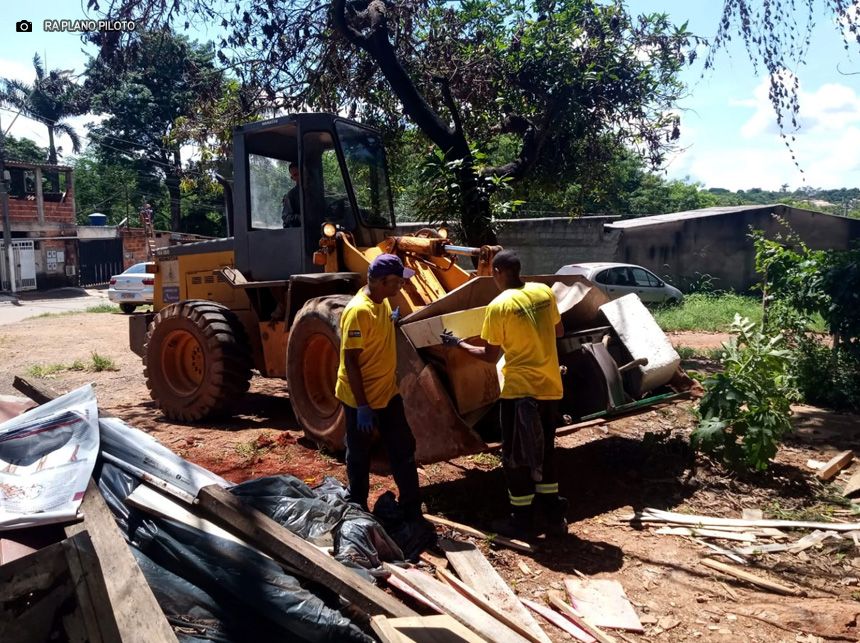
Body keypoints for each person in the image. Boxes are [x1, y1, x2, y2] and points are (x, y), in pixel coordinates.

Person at [441, 250, 568, 539]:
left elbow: (488, 355)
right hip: (549, 388)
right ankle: (553, 517)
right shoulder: (544, 293)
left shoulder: (498, 306)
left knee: (515, 456)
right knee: (545, 451)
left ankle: (521, 519)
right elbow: (558, 331)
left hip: (519, 392)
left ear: (497, 272)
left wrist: (457, 344)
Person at [335, 254, 424, 522]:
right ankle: (358, 502)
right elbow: (350, 361)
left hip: (387, 393)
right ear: (382, 281)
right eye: (397, 282)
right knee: (359, 452)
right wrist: (362, 405)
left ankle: (411, 507)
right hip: (359, 397)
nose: (401, 287)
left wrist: (391, 321)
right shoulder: (358, 311)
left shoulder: (382, 301)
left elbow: (377, 331)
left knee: (403, 449)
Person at [281, 162, 301, 228]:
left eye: (300, 173)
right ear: (293, 178)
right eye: (295, 175)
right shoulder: (291, 195)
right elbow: (286, 217)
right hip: (300, 231)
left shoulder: (317, 189)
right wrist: (300, 218)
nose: (299, 177)